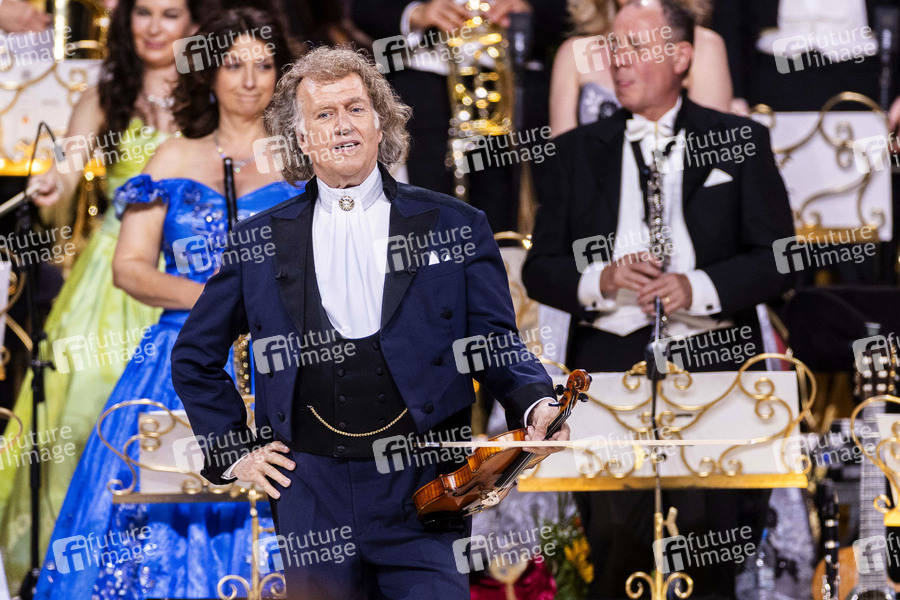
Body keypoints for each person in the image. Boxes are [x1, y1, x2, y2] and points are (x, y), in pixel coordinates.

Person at [171, 45, 566, 599]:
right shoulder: (259, 239)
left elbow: (492, 342)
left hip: (427, 487)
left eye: (356, 109)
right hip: (310, 491)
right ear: (301, 137)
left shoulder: (456, 224)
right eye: (324, 114)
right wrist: (234, 451)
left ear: (381, 123)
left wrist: (536, 401)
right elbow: (193, 356)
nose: (343, 126)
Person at [522, 1, 796, 598]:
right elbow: (540, 271)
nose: (619, 61)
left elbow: (780, 258)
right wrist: (603, 280)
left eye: (636, 47)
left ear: (682, 57)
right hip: (608, 361)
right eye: (613, 48)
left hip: (714, 358)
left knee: (709, 555)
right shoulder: (575, 152)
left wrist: (696, 287)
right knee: (617, 554)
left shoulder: (739, 140)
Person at [33, 8, 298, 599]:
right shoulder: (173, 157)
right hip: (183, 357)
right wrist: (223, 303)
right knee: (159, 496)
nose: (249, 80)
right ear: (209, 72)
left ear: (281, 74)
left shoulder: (303, 161)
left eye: (263, 65)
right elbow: (129, 268)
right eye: (233, 64)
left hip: (283, 356)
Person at [0, 0, 205, 591]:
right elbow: (66, 170)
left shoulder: (208, 96)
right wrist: (51, 184)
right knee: (83, 410)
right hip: (110, 273)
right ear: (126, 22)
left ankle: (163, 568)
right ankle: (73, 565)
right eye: (143, 13)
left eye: (170, 14)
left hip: (184, 265)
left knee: (177, 419)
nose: (155, 27)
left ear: (194, 25)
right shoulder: (103, 95)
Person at [550, 0, 731, 136]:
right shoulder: (577, 52)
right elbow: (562, 158)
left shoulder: (703, 45)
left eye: (637, 46)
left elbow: (711, 143)